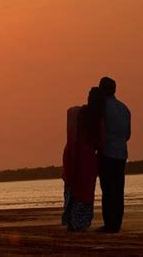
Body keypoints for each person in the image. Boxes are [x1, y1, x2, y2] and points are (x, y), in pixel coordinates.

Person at [62, 87, 105, 231]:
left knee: (72, 187)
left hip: (73, 155)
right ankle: (80, 222)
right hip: (87, 159)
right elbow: (101, 142)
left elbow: (70, 112)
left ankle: (71, 221)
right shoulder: (98, 118)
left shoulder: (78, 113)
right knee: (85, 191)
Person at [98, 77, 131, 233]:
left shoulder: (103, 107)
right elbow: (127, 134)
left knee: (108, 189)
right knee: (118, 189)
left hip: (107, 153)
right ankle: (116, 222)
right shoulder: (124, 108)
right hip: (121, 153)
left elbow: (100, 131)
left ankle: (109, 223)